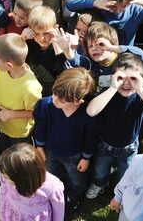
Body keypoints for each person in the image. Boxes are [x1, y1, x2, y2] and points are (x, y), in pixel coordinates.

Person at [84, 53, 143, 199]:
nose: (126, 83)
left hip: (129, 148)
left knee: (126, 172)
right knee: (100, 169)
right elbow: (91, 111)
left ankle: (122, 190)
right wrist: (112, 88)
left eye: (133, 79)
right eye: (121, 78)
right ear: (113, 78)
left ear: (141, 81)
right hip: (105, 145)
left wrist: (141, 90)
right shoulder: (108, 94)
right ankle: (100, 183)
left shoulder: (141, 98)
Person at [33, 67, 97, 213]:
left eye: (61, 101)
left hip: (74, 155)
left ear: (77, 101)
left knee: (76, 180)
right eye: (55, 94)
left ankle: (74, 199)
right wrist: (40, 147)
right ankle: (53, 193)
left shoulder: (86, 114)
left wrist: (86, 158)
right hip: (51, 150)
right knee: (50, 174)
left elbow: (90, 137)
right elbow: (40, 127)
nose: (55, 100)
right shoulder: (45, 105)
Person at [0, 33, 43, 144]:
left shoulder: (30, 88)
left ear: (9, 65)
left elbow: (36, 112)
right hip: (0, 125)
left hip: (18, 134)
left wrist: (10, 114)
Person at [67, 22, 143, 94]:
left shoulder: (122, 59)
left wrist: (111, 47)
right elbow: (77, 61)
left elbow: (140, 53)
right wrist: (66, 49)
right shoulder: (92, 63)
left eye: (99, 44)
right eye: (90, 46)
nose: (94, 49)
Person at [0, 143, 65, 221]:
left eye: (7, 177)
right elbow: (3, 189)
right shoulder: (6, 171)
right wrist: (0, 211)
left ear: (22, 178)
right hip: (11, 214)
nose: (3, 176)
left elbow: (58, 210)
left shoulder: (52, 186)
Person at [22, 5, 75, 96]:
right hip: (31, 89)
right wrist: (21, 38)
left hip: (52, 93)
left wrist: (57, 45)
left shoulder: (60, 45)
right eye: (36, 33)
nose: (42, 38)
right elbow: (14, 57)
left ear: (55, 28)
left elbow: (62, 72)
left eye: (46, 33)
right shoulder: (29, 42)